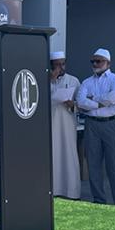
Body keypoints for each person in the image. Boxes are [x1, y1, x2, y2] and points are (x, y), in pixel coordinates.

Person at [76, 48, 115, 207]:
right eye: (93, 61)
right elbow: (80, 102)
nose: (95, 64)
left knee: (114, 164)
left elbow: (114, 98)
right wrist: (99, 102)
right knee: (93, 164)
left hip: (110, 123)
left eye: (98, 61)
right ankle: (99, 201)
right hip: (92, 124)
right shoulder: (87, 81)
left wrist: (92, 101)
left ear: (108, 62)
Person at [49, 50, 81, 199]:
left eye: (62, 64)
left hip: (67, 125)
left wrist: (72, 104)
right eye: (57, 65)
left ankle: (71, 192)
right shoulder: (44, 80)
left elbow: (81, 104)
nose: (60, 68)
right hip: (50, 126)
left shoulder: (74, 80)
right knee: (53, 156)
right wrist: (49, 81)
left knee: (69, 156)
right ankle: (53, 190)